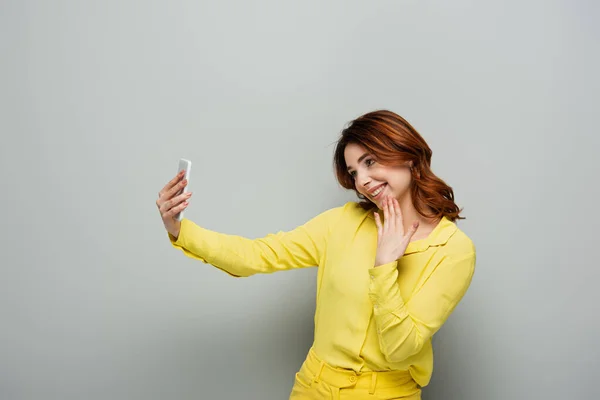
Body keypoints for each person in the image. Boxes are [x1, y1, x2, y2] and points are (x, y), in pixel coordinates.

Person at [156, 110, 476, 400]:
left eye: (370, 162)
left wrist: (385, 265)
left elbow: (400, 347)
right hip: (313, 388)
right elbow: (256, 254)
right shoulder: (342, 222)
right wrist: (178, 229)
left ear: (406, 154)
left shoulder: (453, 250)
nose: (362, 180)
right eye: (353, 172)